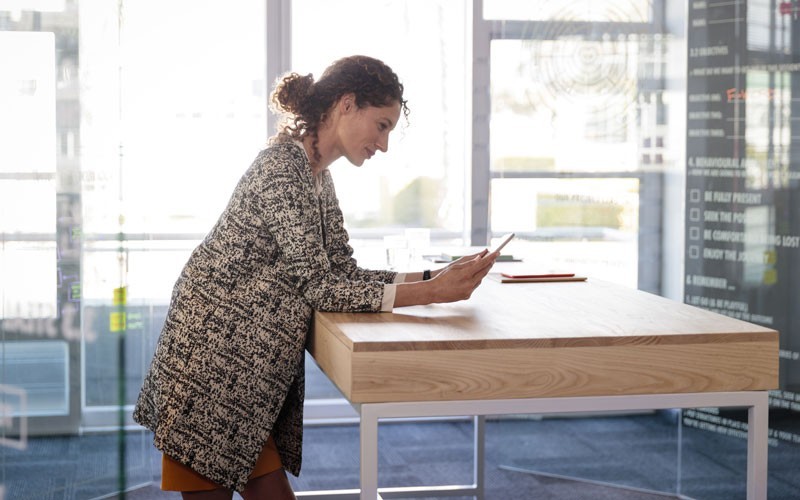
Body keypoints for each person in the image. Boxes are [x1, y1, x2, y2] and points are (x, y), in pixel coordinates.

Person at [133, 55, 498, 500]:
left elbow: (342, 271)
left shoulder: (317, 176)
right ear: (347, 104)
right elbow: (321, 288)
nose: (384, 145)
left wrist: (432, 276)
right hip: (211, 365)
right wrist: (431, 292)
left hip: (243, 377)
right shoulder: (282, 169)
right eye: (381, 126)